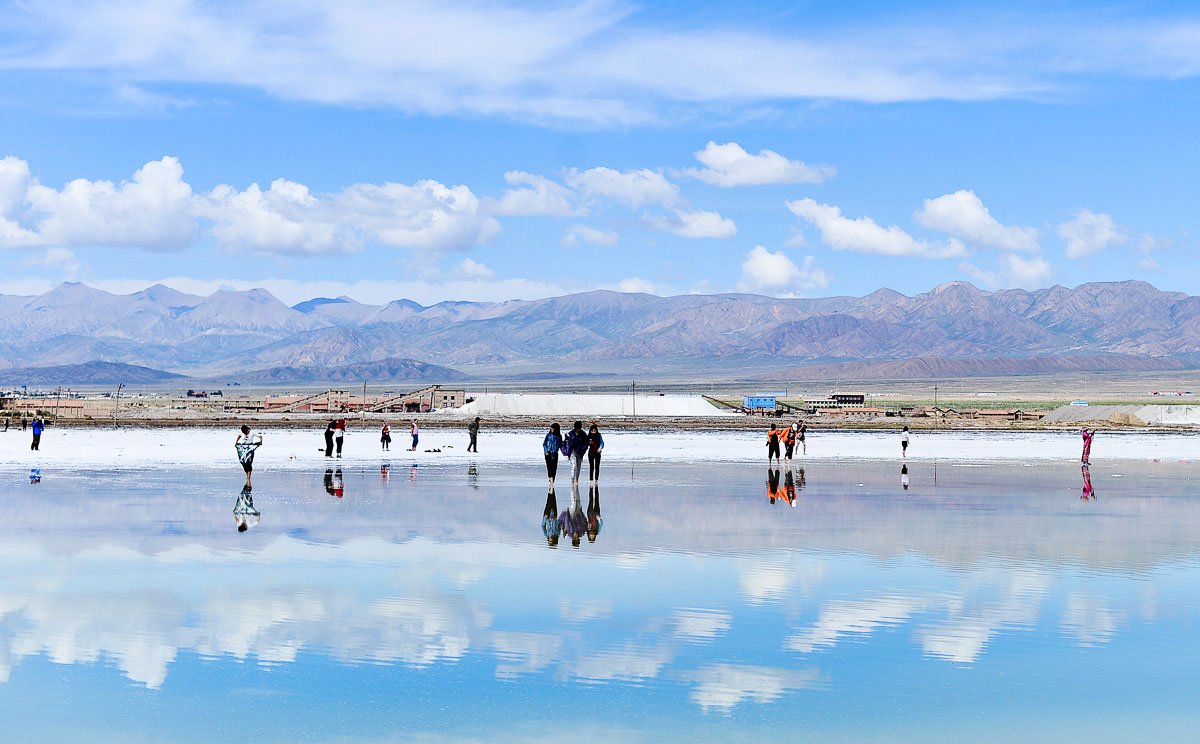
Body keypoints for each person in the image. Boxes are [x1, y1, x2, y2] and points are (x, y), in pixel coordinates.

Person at [560, 483, 587, 547]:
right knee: (577, 500)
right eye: (577, 539)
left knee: (573, 502)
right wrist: (581, 513)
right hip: (578, 513)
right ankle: (576, 489)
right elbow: (584, 521)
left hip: (571, 515)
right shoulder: (582, 532)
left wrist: (567, 514)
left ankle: (572, 488)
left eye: (575, 539)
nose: (576, 538)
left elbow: (567, 523)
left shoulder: (570, 532)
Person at [564, 420, 588, 484]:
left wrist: (583, 451)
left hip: (580, 452)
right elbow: (567, 442)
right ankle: (572, 480)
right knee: (574, 466)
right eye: (577, 429)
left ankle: (577, 479)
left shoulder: (583, 434)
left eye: (579, 429)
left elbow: (585, 444)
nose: (578, 430)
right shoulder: (571, 433)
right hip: (572, 451)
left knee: (579, 466)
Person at [543, 423, 563, 488]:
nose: (551, 429)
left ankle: (552, 480)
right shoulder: (548, 435)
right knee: (549, 467)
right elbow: (544, 444)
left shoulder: (559, 437)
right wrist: (546, 451)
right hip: (548, 453)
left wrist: (566, 441)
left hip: (555, 453)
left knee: (554, 467)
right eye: (551, 428)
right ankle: (551, 479)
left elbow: (561, 445)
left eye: (553, 428)